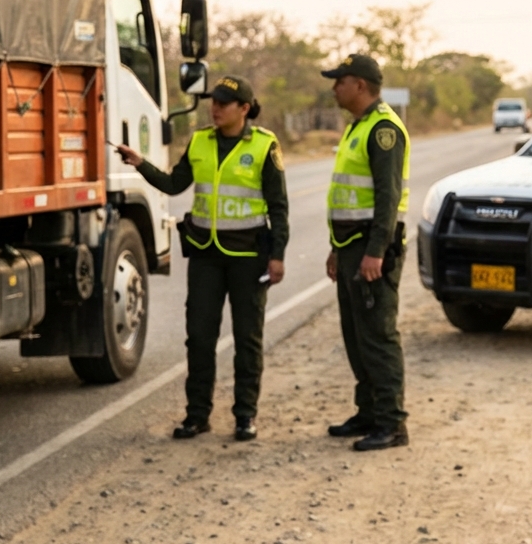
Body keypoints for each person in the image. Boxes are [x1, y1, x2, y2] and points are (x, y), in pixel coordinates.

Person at [116, 75, 288, 442]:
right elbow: (175, 184)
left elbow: (279, 206)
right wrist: (140, 163)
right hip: (207, 258)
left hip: (248, 257)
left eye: (224, 103)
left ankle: (245, 416)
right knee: (199, 337)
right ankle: (197, 415)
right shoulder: (199, 142)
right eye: (214, 101)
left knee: (248, 339)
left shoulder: (263, 145)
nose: (215, 108)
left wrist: (278, 256)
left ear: (244, 109)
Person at [320, 53, 411, 451]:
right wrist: (336, 249)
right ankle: (369, 412)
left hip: (373, 249)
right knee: (357, 335)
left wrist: (375, 252)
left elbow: (387, 199)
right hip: (350, 247)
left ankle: (391, 424)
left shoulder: (383, 129)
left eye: (340, 80)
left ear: (359, 84)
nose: (334, 87)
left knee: (377, 336)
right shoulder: (358, 127)